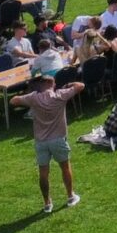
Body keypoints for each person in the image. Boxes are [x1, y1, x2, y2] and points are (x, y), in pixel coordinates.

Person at [12, 72, 84, 214]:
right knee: (65, 167)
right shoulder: (60, 95)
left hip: (41, 141)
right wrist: (69, 85)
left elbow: (13, 101)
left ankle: (47, 204)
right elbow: (81, 85)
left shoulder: (33, 98)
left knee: (43, 173)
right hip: (58, 139)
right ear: (51, 84)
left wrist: (32, 94)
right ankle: (70, 197)